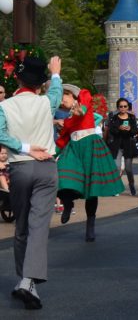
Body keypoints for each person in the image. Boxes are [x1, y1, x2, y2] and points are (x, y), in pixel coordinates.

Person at [0, 56, 63, 309]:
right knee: (39, 227)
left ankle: (24, 280)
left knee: (23, 225)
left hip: (20, 166)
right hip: (47, 166)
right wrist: (56, 72)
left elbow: (1, 134)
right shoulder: (47, 102)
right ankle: (28, 281)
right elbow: (56, 92)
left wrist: (25, 148)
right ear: (41, 83)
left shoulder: (5, 106)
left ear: (17, 78)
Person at [55, 84, 121, 241]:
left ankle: (90, 225)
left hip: (90, 146)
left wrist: (81, 110)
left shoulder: (83, 95)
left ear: (71, 94)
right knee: (60, 174)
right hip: (74, 150)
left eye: (63, 98)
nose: (62, 102)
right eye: (59, 101)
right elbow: (62, 140)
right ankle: (67, 202)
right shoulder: (67, 120)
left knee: (92, 189)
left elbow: (84, 102)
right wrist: (50, 154)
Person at [105, 98, 138, 196]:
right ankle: (116, 187)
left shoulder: (132, 117)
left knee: (128, 169)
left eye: (125, 106)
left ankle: (131, 185)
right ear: (118, 107)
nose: (123, 108)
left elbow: (135, 130)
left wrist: (130, 129)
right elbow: (111, 130)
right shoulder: (114, 117)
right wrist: (119, 128)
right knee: (116, 167)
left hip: (128, 144)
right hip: (117, 145)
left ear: (128, 107)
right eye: (121, 106)